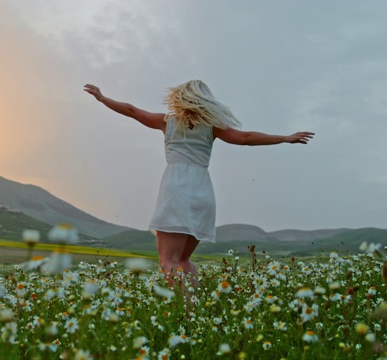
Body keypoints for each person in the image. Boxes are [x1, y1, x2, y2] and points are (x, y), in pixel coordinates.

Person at [84, 80, 314, 294]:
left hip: (177, 189)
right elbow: (246, 138)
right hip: (202, 192)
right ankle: (196, 310)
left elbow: (132, 111)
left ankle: (188, 313)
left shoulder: (168, 122)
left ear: (180, 98)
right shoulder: (212, 126)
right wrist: (284, 138)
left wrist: (103, 99)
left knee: (168, 261)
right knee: (184, 260)